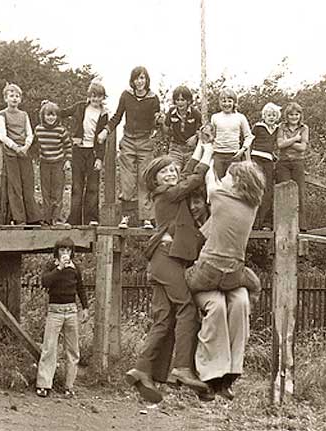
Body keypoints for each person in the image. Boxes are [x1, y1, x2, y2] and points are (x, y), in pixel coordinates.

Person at [124, 139, 213, 404]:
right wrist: (208, 151)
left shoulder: (173, 193)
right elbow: (194, 179)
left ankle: (142, 369)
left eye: (172, 170)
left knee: (164, 319)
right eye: (165, 171)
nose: (171, 174)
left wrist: (201, 147)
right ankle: (183, 367)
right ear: (155, 179)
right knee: (187, 308)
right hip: (167, 258)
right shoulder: (165, 193)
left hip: (164, 260)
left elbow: (187, 174)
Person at [184, 160, 265, 400]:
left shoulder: (219, 196)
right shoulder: (253, 206)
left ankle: (213, 375)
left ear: (237, 181)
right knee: (234, 303)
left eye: (229, 176)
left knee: (231, 302)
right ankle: (227, 375)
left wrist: (208, 151)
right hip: (233, 273)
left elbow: (209, 176)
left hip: (207, 272)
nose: (225, 180)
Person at [98, 66, 162, 229]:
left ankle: (146, 218)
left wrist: (159, 121)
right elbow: (117, 116)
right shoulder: (126, 95)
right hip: (128, 140)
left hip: (145, 141)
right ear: (132, 80)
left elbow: (156, 122)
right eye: (137, 78)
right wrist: (106, 131)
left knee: (144, 179)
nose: (139, 82)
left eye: (142, 78)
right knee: (127, 180)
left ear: (147, 80)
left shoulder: (153, 98)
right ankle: (125, 216)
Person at [36, 237, 89, 399]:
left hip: (71, 311)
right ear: (57, 251)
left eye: (68, 250)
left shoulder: (75, 269)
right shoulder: (51, 266)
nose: (65, 253)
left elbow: (80, 287)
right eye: (62, 250)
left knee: (72, 350)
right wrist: (59, 268)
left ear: (72, 252)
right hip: (55, 312)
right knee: (49, 348)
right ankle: (44, 385)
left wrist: (85, 307)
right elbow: (45, 282)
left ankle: (69, 386)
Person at [61, 81, 109, 226]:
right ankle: (73, 220)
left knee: (93, 187)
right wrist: (49, 106)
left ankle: (92, 219)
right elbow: (63, 112)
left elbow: (102, 139)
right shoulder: (80, 107)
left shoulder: (104, 114)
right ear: (89, 96)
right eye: (93, 96)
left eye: (99, 97)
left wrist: (100, 158)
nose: (96, 100)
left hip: (93, 152)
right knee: (77, 186)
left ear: (103, 98)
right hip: (78, 150)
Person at [0, 83, 42, 225]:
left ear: (20, 99)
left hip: (24, 151)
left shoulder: (24, 115)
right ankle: (19, 218)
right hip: (11, 153)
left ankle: (33, 217)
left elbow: (30, 133)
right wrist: (16, 147)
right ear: (6, 98)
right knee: (15, 186)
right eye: (11, 96)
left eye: (17, 96)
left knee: (28, 183)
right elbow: (2, 136)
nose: (14, 99)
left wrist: (26, 145)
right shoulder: (1, 114)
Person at [35, 101, 72, 226]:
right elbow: (34, 145)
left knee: (57, 192)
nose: (51, 118)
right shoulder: (38, 130)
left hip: (58, 164)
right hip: (44, 164)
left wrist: (67, 161)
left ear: (57, 116)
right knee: (46, 192)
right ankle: (46, 219)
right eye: (48, 115)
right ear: (43, 116)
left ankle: (56, 219)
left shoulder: (61, 131)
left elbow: (68, 146)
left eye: (53, 115)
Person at [276, 102, 309, 231]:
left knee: (299, 192)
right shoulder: (281, 127)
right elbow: (279, 145)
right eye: (291, 115)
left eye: (297, 114)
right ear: (287, 116)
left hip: (297, 162)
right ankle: (285, 225)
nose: (294, 117)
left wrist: (287, 142)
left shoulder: (304, 128)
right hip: (283, 162)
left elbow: (302, 148)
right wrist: (296, 138)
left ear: (300, 115)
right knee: (284, 192)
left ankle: (301, 225)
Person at [210, 88, 254, 179]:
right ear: (220, 102)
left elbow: (248, 136)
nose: (226, 104)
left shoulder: (240, 117)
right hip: (218, 155)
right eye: (224, 101)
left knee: (234, 183)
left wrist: (242, 150)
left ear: (234, 102)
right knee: (218, 182)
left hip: (234, 155)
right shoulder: (215, 117)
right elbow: (211, 136)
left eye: (229, 101)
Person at [250, 102, 281, 230]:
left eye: (274, 115)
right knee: (255, 188)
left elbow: (272, 145)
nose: (271, 117)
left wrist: (273, 154)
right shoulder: (258, 127)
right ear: (264, 115)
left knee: (268, 190)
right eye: (269, 114)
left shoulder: (277, 129)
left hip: (268, 161)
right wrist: (248, 159)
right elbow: (249, 141)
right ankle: (252, 222)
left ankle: (265, 223)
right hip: (256, 158)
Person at [163, 85, 202, 169]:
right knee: (174, 169)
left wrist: (196, 137)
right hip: (175, 148)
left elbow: (203, 130)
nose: (180, 103)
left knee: (189, 172)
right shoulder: (171, 112)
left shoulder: (195, 113)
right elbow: (166, 128)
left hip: (191, 149)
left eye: (182, 100)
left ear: (188, 101)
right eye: (177, 100)